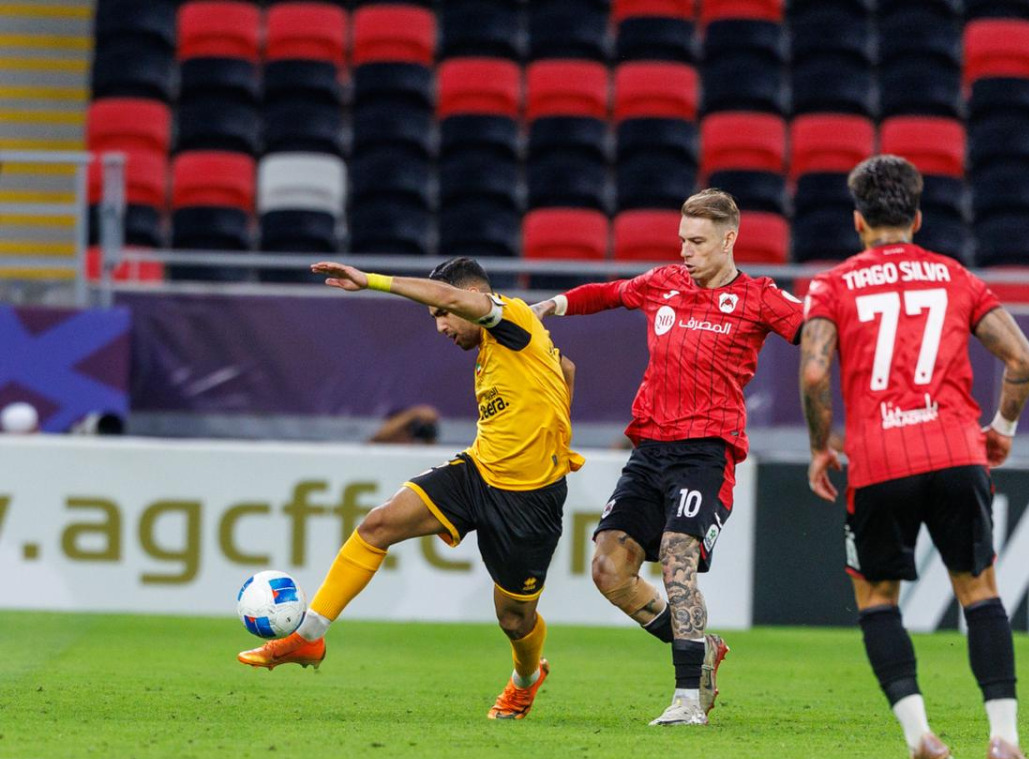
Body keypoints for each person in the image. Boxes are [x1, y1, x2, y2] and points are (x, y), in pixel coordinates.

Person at [238, 257, 584, 721]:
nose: (440, 326)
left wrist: (370, 280)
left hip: (529, 498)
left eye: (443, 314)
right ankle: (309, 636)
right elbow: (566, 367)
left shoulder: (513, 317)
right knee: (378, 525)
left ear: (470, 298)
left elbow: (453, 298)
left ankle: (526, 679)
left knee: (514, 618)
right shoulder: (501, 345)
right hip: (478, 471)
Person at [800, 155, 1029, 759]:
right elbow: (1023, 360)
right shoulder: (956, 277)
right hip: (957, 452)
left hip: (880, 461)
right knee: (979, 593)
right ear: (918, 218)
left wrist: (821, 447)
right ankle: (1005, 740)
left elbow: (815, 373)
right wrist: (1002, 429)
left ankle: (922, 739)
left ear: (858, 221)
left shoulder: (832, 285)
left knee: (878, 599)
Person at [532, 189, 806, 726]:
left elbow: (814, 328)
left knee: (678, 555)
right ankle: (703, 648)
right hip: (650, 448)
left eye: (697, 242)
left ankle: (687, 700)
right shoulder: (663, 283)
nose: (685, 251)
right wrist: (551, 306)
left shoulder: (758, 297)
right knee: (609, 571)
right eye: (682, 239)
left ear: (729, 240)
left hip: (706, 451)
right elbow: (608, 293)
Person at [369, 404, 440, 444]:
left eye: (408, 429)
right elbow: (378, 437)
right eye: (400, 429)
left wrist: (429, 426)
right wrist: (414, 413)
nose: (403, 435)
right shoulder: (375, 448)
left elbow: (432, 451)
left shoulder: (415, 453)